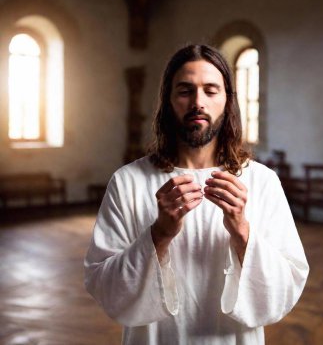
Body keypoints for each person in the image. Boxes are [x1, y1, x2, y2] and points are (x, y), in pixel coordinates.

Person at [84, 44, 309, 345]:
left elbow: (288, 283)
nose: (198, 102)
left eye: (211, 90)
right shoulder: (128, 181)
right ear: (168, 101)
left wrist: (241, 230)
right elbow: (104, 286)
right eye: (185, 90)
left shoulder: (262, 182)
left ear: (228, 100)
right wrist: (159, 234)